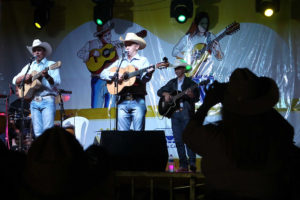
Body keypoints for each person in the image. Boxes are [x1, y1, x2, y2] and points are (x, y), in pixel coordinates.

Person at [182, 68, 298, 200]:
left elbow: (189, 134)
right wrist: (260, 103)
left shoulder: (214, 139)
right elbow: (287, 130)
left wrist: (207, 103)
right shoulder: (276, 140)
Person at [100, 32, 154, 131]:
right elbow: (102, 73)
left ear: (137, 46)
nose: (126, 47)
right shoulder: (120, 61)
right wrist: (115, 75)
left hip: (137, 100)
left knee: (139, 134)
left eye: (129, 45)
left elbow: (144, 80)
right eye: (125, 45)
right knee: (122, 135)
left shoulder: (143, 61)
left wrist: (149, 73)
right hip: (122, 101)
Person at [157, 59, 200, 172]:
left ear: (183, 70)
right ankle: (183, 165)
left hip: (186, 113)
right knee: (178, 140)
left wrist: (191, 96)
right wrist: (166, 94)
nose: (176, 70)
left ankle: (192, 163)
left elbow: (197, 98)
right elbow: (159, 91)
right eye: (175, 68)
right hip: (175, 114)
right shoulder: (172, 83)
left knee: (189, 139)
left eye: (178, 68)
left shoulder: (191, 83)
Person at [12, 39, 61, 138]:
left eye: (39, 50)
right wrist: (23, 78)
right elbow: (14, 80)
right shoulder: (30, 66)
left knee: (48, 132)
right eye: (34, 50)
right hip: (34, 101)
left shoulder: (51, 64)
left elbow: (56, 83)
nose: (36, 52)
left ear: (44, 52)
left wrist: (47, 76)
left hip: (47, 99)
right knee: (37, 132)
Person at [172, 12, 223, 104]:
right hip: (192, 75)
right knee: (192, 103)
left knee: (207, 104)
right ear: (196, 23)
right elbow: (174, 51)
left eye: (206, 24)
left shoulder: (210, 37)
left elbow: (220, 57)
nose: (204, 26)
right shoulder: (189, 38)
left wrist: (217, 48)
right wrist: (188, 56)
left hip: (206, 77)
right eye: (202, 23)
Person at [77, 21, 122, 108]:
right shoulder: (91, 44)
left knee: (111, 109)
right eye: (105, 35)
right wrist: (91, 54)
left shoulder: (113, 45)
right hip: (98, 80)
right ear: (100, 37)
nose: (108, 37)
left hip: (112, 81)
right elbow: (80, 53)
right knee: (96, 108)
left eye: (109, 34)